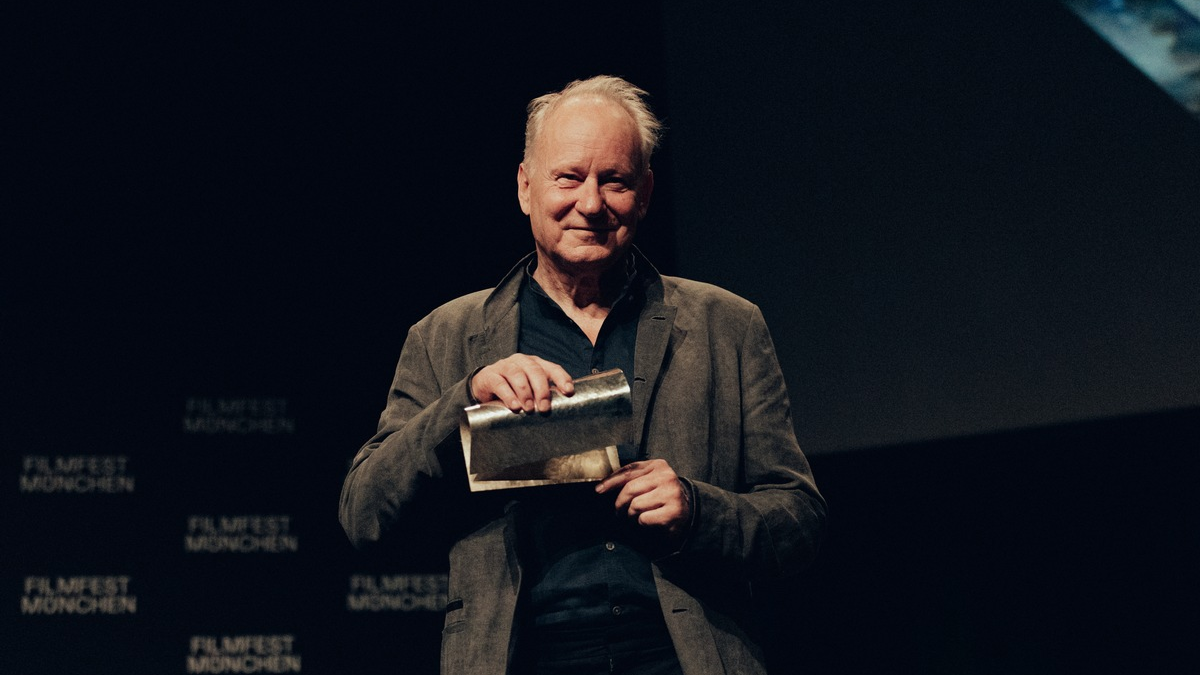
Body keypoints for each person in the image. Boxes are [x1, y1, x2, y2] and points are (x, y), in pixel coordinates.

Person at [339, 75, 826, 675]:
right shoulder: (445, 336)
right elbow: (364, 514)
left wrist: (697, 512)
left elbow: (799, 520)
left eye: (614, 180)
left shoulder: (727, 325)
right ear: (525, 187)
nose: (590, 204)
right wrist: (462, 404)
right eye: (568, 178)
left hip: (683, 658)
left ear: (645, 193)